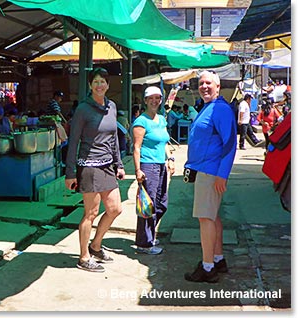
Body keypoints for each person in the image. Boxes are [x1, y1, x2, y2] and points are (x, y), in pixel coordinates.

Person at [65, 68, 125, 272]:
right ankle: (83, 257)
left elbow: (114, 137)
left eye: (103, 82)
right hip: (89, 166)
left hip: (107, 165)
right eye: (96, 82)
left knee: (115, 208)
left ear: (108, 85)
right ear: (90, 85)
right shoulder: (83, 109)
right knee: (90, 213)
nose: (100, 85)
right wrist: (70, 172)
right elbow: (73, 141)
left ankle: (96, 245)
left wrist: (120, 164)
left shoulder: (112, 106)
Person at [184, 70, 237, 283]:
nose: (204, 86)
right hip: (204, 170)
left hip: (210, 172)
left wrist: (222, 175)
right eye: (201, 83)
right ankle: (218, 258)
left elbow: (230, 144)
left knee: (206, 218)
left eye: (208, 83)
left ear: (217, 86)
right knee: (213, 216)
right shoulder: (208, 107)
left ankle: (208, 268)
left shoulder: (220, 109)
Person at [133, 86, 175, 255]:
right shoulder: (141, 122)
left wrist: (170, 159)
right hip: (147, 166)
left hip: (160, 165)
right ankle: (145, 243)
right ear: (145, 100)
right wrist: (137, 170)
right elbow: (136, 147)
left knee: (161, 204)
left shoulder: (162, 119)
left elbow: (164, 143)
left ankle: (147, 235)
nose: (154, 101)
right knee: (148, 206)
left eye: (157, 98)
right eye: (151, 98)